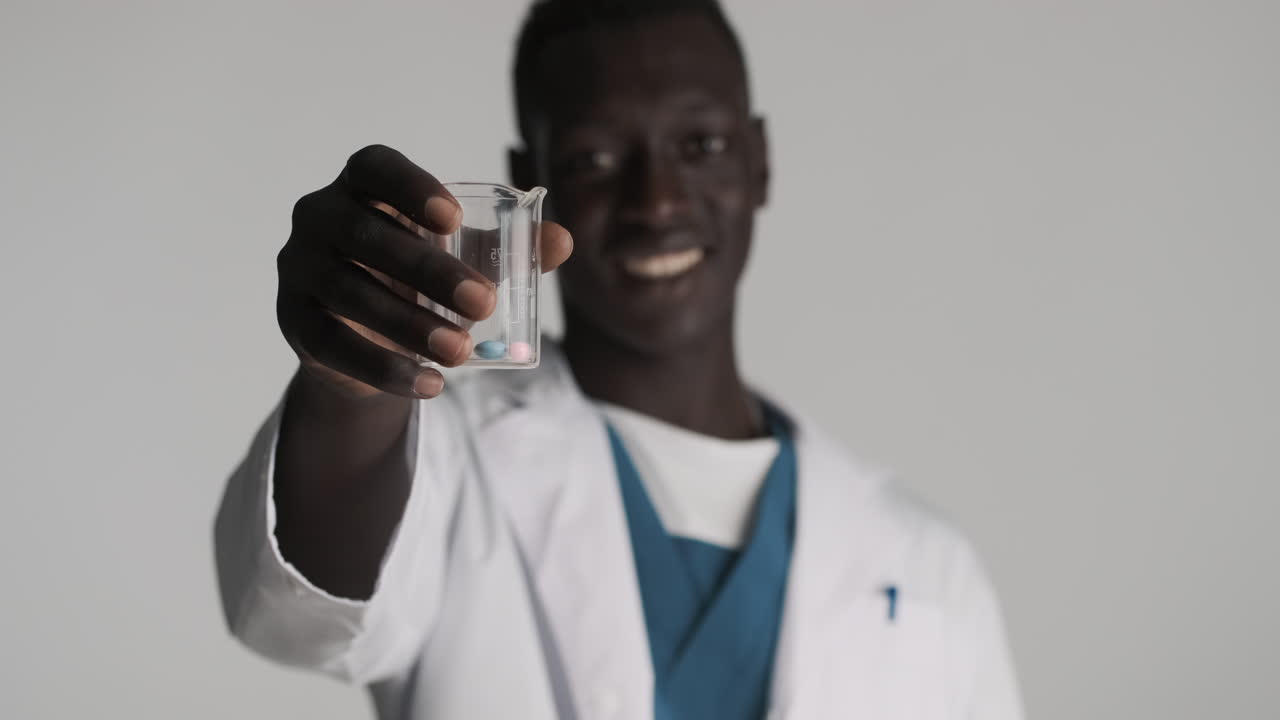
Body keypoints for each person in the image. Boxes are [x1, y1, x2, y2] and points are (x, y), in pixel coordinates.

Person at [214, 1, 1023, 718]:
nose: (657, 202)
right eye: (594, 160)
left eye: (700, 144)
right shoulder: (446, 466)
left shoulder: (924, 565)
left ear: (759, 161)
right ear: (530, 184)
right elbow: (297, 615)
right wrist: (348, 384)